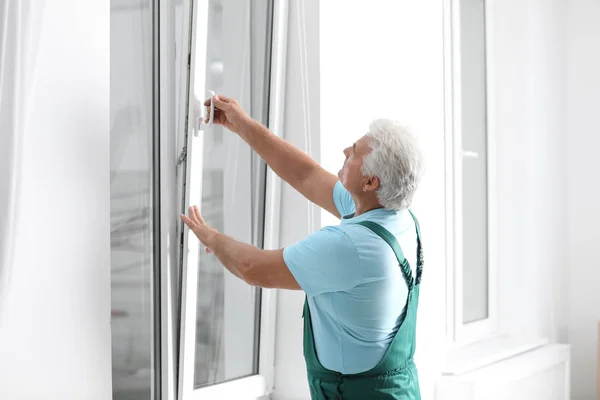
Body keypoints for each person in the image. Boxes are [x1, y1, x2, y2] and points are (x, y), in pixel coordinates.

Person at [181, 95, 425, 399]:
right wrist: (243, 126)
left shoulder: (353, 247)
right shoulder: (395, 216)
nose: (346, 150)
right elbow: (306, 176)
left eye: (355, 153)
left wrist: (211, 237)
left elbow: (253, 269)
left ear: (370, 182)